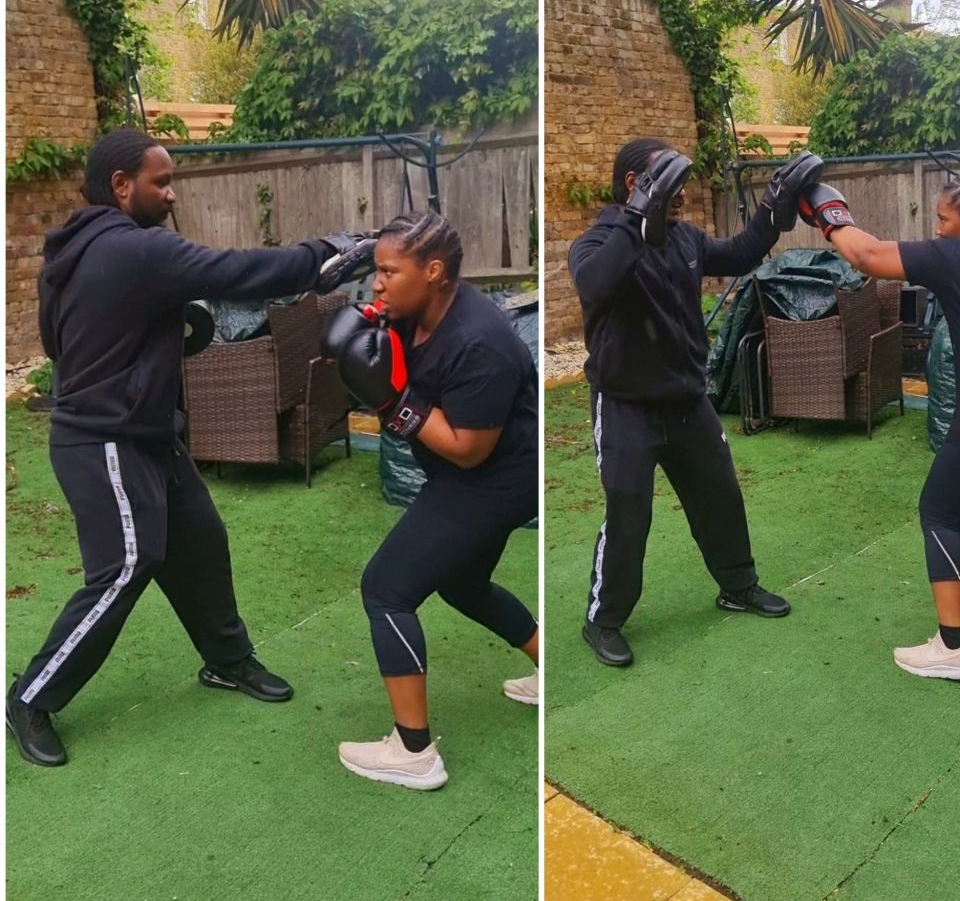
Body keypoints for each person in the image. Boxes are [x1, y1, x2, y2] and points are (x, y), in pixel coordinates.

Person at [6, 128, 356, 767]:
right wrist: (327, 253)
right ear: (122, 186)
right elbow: (236, 272)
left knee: (201, 541)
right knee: (126, 565)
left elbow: (59, 343)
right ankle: (31, 696)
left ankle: (226, 660)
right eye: (161, 182)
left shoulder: (72, 251)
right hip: (102, 440)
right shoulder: (136, 249)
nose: (171, 195)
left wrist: (152, 340)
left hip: (148, 431)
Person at [568, 139, 823, 667]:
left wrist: (773, 209)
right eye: (670, 183)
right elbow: (593, 285)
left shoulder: (684, 238)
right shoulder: (596, 243)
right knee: (628, 515)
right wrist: (636, 216)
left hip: (687, 401)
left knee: (720, 496)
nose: (682, 193)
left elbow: (740, 254)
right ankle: (603, 619)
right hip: (625, 407)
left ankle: (738, 586)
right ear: (636, 184)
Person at [323, 211, 538, 791]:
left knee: (387, 590)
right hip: (479, 475)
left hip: (492, 478)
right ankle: (548, 664)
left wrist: (392, 403)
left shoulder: (480, 342)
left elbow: (467, 450)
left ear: (434, 271)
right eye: (376, 270)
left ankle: (413, 752)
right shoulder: (412, 312)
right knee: (463, 584)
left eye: (390, 272)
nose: (378, 283)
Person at [798, 174, 960, 679]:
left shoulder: (954, 257)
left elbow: (866, 255)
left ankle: (953, 648)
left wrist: (827, 211)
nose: (937, 229)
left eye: (943, 219)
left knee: (940, 513)